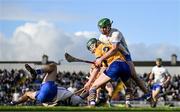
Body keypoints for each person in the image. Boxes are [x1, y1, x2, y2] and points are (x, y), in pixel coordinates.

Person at [96, 18, 150, 98]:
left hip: (124, 56)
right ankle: (100, 97)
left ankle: (148, 94)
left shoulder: (116, 33)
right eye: (100, 28)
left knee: (134, 76)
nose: (102, 30)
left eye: (104, 27)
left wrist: (101, 59)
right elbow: (101, 49)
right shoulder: (101, 37)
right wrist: (99, 59)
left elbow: (114, 49)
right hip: (112, 57)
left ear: (109, 26)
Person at [84, 38, 133, 107]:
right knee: (128, 87)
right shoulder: (110, 45)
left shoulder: (98, 49)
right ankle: (128, 103)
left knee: (93, 87)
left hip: (115, 66)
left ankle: (92, 104)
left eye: (90, 49)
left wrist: (89, 82)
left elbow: (97, 68)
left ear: (93, 45)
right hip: (125, 65)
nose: (91, 51)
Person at [10, 63, 84, 106]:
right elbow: (82, 97)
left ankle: (14, 102)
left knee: (54, 66)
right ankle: (14, 102)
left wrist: (89, 87)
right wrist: (90, 86)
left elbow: (82, 96)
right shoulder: (74, 100)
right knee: (28, 94)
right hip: (45, 99)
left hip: (48, 93)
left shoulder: (73, 98)